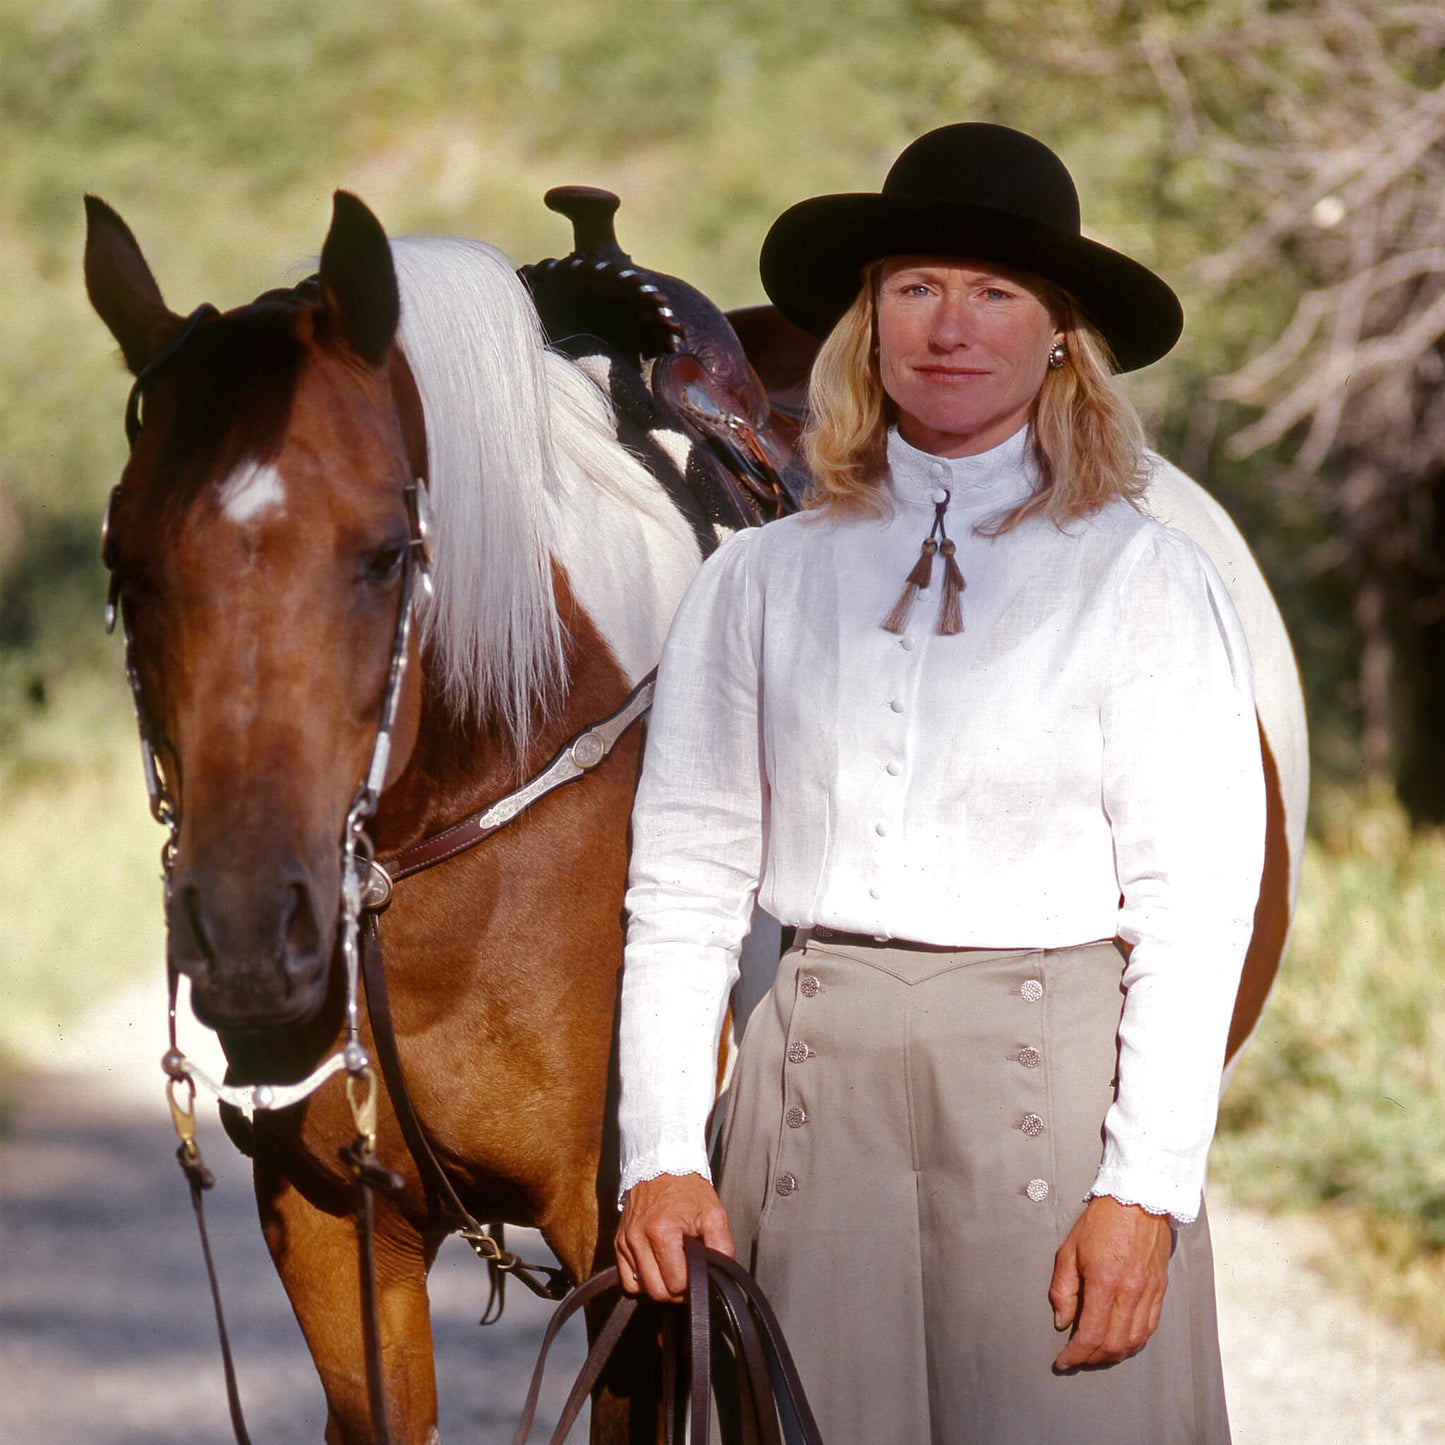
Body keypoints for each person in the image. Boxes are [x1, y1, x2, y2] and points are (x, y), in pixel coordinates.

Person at [613, 122, 1263, 1444]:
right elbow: (681, 880)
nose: (948, 326)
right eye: (914, 287)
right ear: (866, 321)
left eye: (993, 293)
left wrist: (1146, 1186)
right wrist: (662, 1151)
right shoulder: (758, 579)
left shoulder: (1140, 579)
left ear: (1058, 334)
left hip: (1050, 1092)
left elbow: (1195, 906)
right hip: (811, 1098)